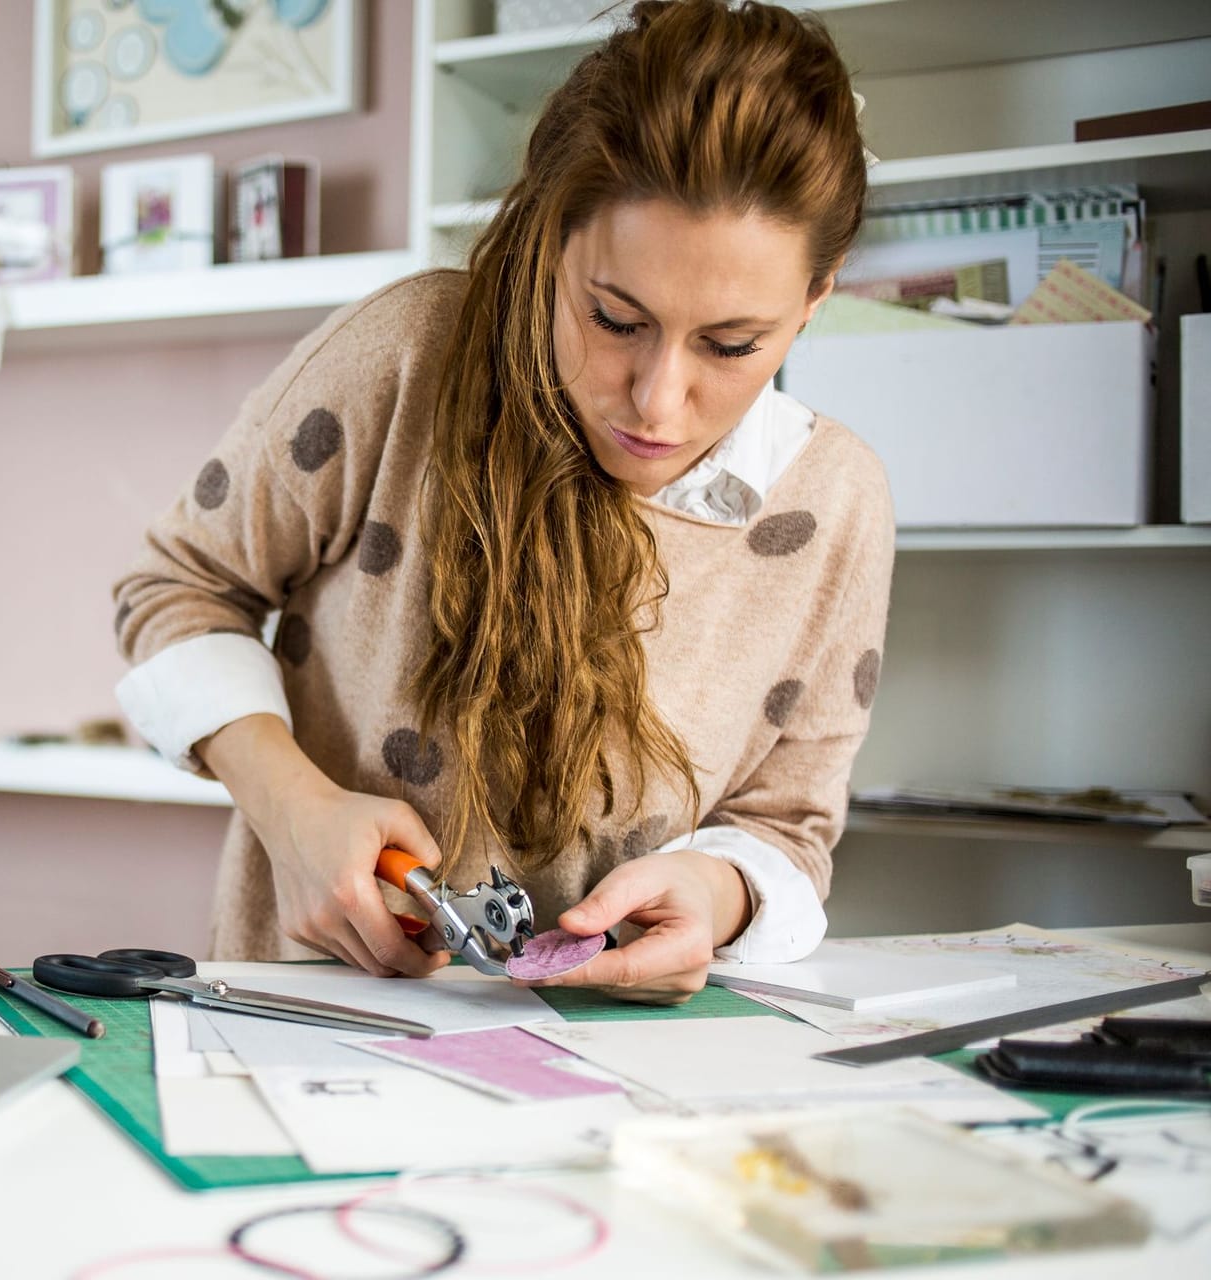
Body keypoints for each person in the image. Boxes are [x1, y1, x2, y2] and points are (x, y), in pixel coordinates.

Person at [111, 0, 891, 1003]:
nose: (658, 399)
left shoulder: (835, 499)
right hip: (312, 1020)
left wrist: (715, 889)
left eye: (732, 344)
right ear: (555, 235)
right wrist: (295, 808)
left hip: (620, 1074)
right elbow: (175, 587)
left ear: (817, 296)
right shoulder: (411, 354)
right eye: (615, 317)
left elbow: (788, 828)